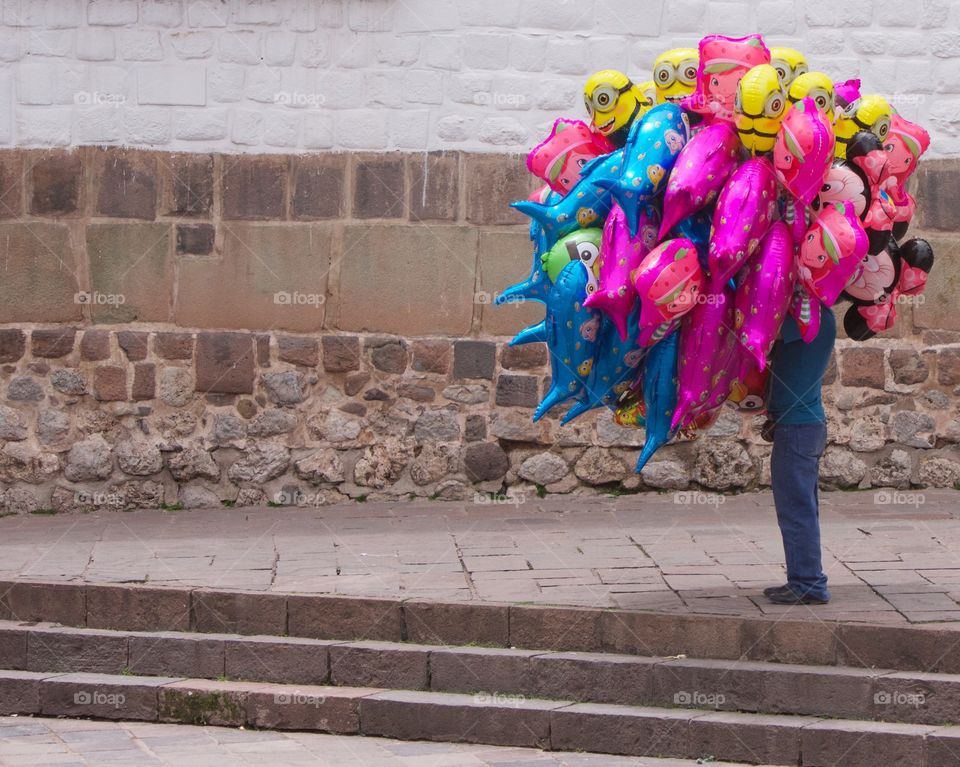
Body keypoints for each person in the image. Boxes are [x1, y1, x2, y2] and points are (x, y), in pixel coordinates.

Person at [761, 302, 836, 605]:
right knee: (801, 505)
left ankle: (808, 583)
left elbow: (763, 333)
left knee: (796, 508)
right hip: (801, 426)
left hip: (797, 429)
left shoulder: (809, 315)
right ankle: (806, 579)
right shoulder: (823, 316)